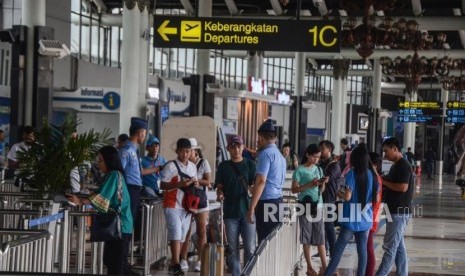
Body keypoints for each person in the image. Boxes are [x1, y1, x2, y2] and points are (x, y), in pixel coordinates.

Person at [67, 146, 133, 275]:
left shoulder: (114, 175)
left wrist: (81, 202)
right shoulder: (112, 175)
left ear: (109, 160)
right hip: (121, 226)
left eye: (101, 160)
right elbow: (100, 194)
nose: (98, 163)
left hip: (120, 226)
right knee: (114, 262)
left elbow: (102, 197)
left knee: (116, 265)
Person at [325, 146, 377, 276]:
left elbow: (347, 196)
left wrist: (339, 193)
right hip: (365, 218)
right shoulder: (372, 174)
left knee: (338, 250)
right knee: (362, 251)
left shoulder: (352, 174)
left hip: (351, 219)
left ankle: (328, 274)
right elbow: (375, 197)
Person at [216, 135, 256, 276]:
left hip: (248, 212)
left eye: (239, 146)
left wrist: (252, 189)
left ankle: (248, 273)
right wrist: (220, 193)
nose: (236, 150)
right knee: (233, 249)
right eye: (233, 147)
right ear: (228, 149)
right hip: (230, 213)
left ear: (243, 147)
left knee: (250, 248)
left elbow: (255, 187)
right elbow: (219, 186)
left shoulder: (251, 165)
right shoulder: (223, 166)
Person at [376, 137, 414, 276]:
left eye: (386, 151)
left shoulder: (403, 165)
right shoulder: (396, 165)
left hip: (399, 212)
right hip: (395, 210)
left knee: (390, 247)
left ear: (395, 149)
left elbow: (403, 187)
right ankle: (402, 273)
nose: (385, 155)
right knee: (398, 247)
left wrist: (383, 182)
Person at [160, 138, 198, 276]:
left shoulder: (193, 167)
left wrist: (195, 184)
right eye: (182, 151)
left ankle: (173, 263)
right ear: (177, 151)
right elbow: (162, 185)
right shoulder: (170, 166)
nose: (185, 154)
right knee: (175, 233)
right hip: (172, 205)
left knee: (182, 236)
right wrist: (178, 185)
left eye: (187, 151)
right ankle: (176, 263)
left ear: (191, 152)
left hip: (187, 207)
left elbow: (196, 184)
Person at [247, 119, 286, 243]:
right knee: (274, 243)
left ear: (262, 138)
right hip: (278, 202)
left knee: (264, 243)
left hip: (266, 204)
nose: (258, 141)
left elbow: (261, 181)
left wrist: (252, 207)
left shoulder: (265, 154)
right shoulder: (281, 156)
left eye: (259, 138)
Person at [292, 144, 328, 276]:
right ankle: (309, 267)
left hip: (318, 205)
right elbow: (294, 189)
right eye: (314, 157)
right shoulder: (299, 170)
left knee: (320, 237)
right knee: (306, 237)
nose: (316, 160)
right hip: (304, 205)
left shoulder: (319, 169)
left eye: (318, 157)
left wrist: (322, 183)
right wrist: (309, 185)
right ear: (307, 154)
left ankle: (325, 267)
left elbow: (321, 191)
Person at [179, 137, 212, 272]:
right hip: (186, 200)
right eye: (187, 150)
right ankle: (183, 258)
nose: (189, 153)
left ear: (195, 150)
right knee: (185, 231)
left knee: (201, 231)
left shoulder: (203, 163)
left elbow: (208, 180)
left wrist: (197, 181)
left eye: (191, 150)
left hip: (201, 201)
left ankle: (200, 259)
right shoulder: (183, 164)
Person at [119, 117, 147, 223]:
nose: (144, 137)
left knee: (131, 220)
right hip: (129, 189)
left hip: (135, 190)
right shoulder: (126, 151)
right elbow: (119, 171)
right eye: (144, 133)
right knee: (126, 220)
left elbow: (140, 171)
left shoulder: (134, 150)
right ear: (139, 133)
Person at [318, 140, 341, 258]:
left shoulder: (334, 165)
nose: (320, 150)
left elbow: (325, 178)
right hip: (321, 198)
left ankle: (333, 250)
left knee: (328, 225)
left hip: (329, 198)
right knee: (323, 225)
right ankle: (325, 248)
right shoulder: (322, 163)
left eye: (323, 148)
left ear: (329, 150)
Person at [366, 152, 383, 276]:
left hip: (370, 217)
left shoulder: (374, 178)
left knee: (369, 248)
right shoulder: (375, 176)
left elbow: (375, 199)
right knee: (367, 248)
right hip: (371, 216)